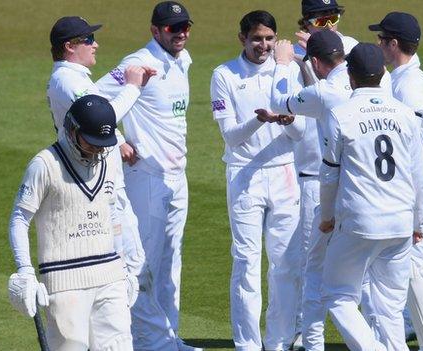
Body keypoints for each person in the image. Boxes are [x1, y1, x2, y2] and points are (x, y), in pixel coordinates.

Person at [95, 2, 200, 350]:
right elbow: (89, 98)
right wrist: (119, 139)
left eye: (185, 26)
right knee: (143, 265)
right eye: (173, 28)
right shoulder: (137, 63)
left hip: (177, 178)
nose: (181, 32)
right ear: (155, 30)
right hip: (148, 179)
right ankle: (141, 342)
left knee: (172, 263)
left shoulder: (182, 60)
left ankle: (168, 338)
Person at [319, 43, 423, 351]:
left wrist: (326, 217)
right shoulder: (405, 114)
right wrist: (418, 220)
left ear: (350, 77)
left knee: (337, 295)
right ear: (382, 74)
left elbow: (329, 174)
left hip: (359, 222)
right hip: (400, 223)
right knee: (390, 308)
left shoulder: (341, 115)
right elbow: (418, 173)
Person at [209, 10, 305, 351]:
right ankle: (248, 344)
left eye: (268, 39)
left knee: (285, 264)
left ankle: (278, 341)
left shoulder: (290, 70)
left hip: (284, 172)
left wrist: (284, 120)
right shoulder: (225, 75)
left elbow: (300, 132)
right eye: (255, 39)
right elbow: (232, 136)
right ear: (242, 39)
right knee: (247, 262)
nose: (262, 45)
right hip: (245, 174)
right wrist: (262, 120)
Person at [8, 95, 134, 350]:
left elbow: (112, 213)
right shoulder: (44, 165)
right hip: (64, 282)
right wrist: (26, 272)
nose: (98, 150)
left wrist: (124, 264)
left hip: (109, 275)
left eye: (102, 144)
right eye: (91, 143)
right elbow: (20, 219)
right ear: (72, 129)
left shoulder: (109, 160)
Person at [46, 15, 153, 308]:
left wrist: (116, 139)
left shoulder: (74, 77)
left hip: (105, 184)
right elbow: (101, 117)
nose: (96, 44)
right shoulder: (66, 80)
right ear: (70, 46)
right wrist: (133, 86)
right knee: (125, 268)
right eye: (89, 40)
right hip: (96, 188)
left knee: (131, 266)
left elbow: (95, 108)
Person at [368, 12, 423, 351]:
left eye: (381, 39)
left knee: (417, 268)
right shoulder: (401, 77)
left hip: (412, 187)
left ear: (394, 43)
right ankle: (406, 331)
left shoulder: (411, 83)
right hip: (406, 186)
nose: (378, 45)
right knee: (405, 269)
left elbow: (409, 140)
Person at [269, 30, 351, 351]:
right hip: (372, 194)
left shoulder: (325, 92)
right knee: (366, 277)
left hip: (332, 193)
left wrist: (284, 64)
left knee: (315, 272)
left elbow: (280, 101)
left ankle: (312, 342)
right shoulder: (365, 80)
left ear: (314, 62)